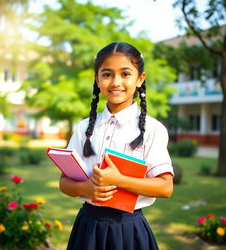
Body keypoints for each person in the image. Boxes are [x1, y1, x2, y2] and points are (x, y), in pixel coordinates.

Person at [59, 42, 174, 250]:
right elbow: (64, 183)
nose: (115, 82)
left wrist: (118, 180)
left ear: (140, 79)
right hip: (88, 226)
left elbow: (165, 187)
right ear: (97, 79)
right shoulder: (84, 128)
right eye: (107, 74)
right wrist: (85, 188)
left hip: (128, 229)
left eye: (125, 74)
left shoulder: (152, 129)